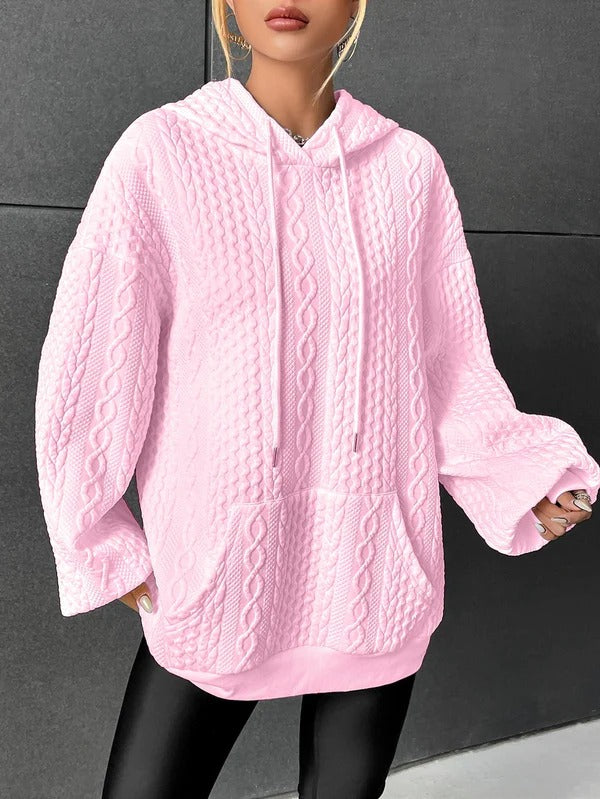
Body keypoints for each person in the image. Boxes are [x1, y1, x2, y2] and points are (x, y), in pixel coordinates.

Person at [34, 1, 598, 797]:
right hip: (216, 571)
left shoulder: (410, 170)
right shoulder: (162, 155)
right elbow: (96, 358)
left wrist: (524, 478)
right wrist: (94, 529)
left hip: (374, 570)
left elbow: (448, 367)